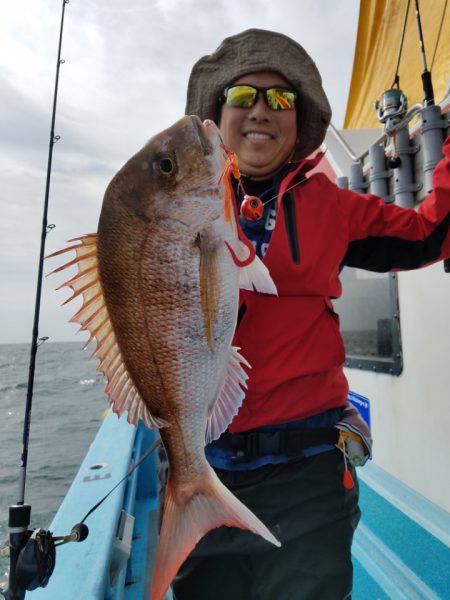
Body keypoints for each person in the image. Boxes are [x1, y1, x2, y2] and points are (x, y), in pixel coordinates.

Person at [158, 28, 450, 600]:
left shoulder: (332, 206)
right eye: (243, 97)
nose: (261, 111)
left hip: (308, 474)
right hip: (204, 467)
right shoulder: (173, 210)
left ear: (299, 119)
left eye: (281, 99)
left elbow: (427, 234)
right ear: (217, 119)